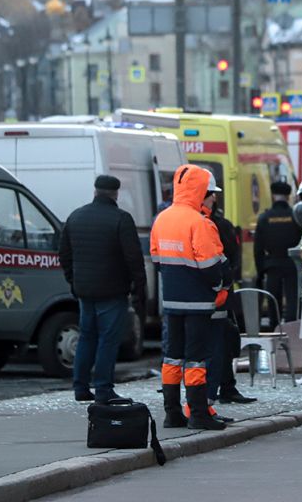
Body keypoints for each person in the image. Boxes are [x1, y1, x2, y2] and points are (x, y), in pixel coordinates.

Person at [151, 164, 227, 431]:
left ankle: (172, 413)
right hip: (197, 301)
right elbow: (209, 265)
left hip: (171, 299)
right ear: (199, 190)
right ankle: (198, 413)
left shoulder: (162, 218)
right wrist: (218, 284)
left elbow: (156, 258)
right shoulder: (199, 222)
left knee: (172, 356)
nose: (213, 197)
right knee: (196, 358)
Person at [59, 175, 146, 404]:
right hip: (113, 291)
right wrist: (139, 288)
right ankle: (104, 388)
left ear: (95, 191)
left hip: (85, 291)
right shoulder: (121, 219)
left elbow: (64, 254)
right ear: (115, 194)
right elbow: (134, 259)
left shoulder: (75, 217)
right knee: (108, 339)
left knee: (87, 336)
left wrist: (73, 281)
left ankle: (80, 386)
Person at [204, 178, 257, 410]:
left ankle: (224, 387)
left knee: (224, 342)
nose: (214, 197)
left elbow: (233, 258)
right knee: (213, 345)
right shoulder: (211, 225)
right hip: (214, 295)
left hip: (219, 295)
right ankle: (211, 392)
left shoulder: (221, 225)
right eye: (210, 194)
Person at [254, 181, 302, 327]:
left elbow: (258, 248)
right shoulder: (295, 217)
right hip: (292, 265)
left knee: (272, 298)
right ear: (288, 197)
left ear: (273, 196)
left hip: (272, 264)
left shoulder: (264, 218)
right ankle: (292, 327)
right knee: (292, 298)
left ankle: (275, 327)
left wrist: (260, 270)